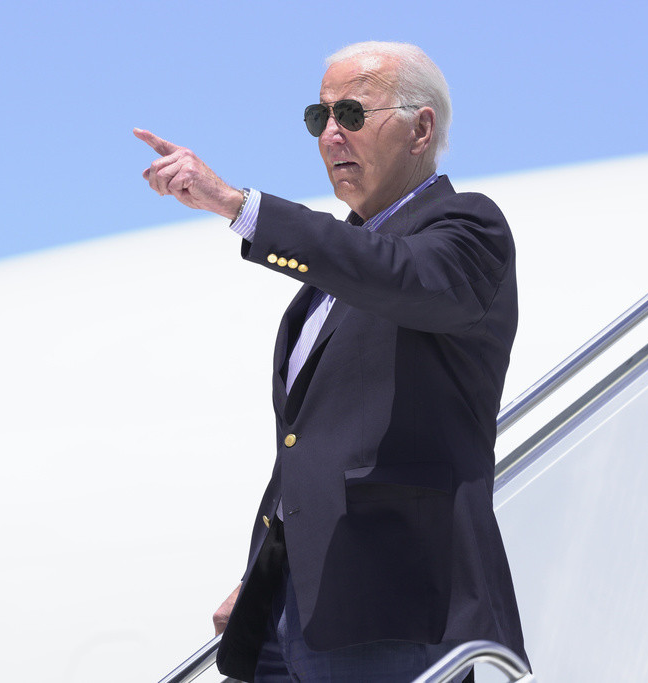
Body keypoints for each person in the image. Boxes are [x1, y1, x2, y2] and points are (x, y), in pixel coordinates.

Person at [136, 41, 527, 683]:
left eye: (351, 112)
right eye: (320, 119)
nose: (331, 135)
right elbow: (310, 445)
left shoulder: (467, 230)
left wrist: (239, 206)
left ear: (421, 129)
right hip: (291, 615)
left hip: (397, 608)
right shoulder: (330, 275)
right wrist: (263, 576)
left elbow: (391, 274)